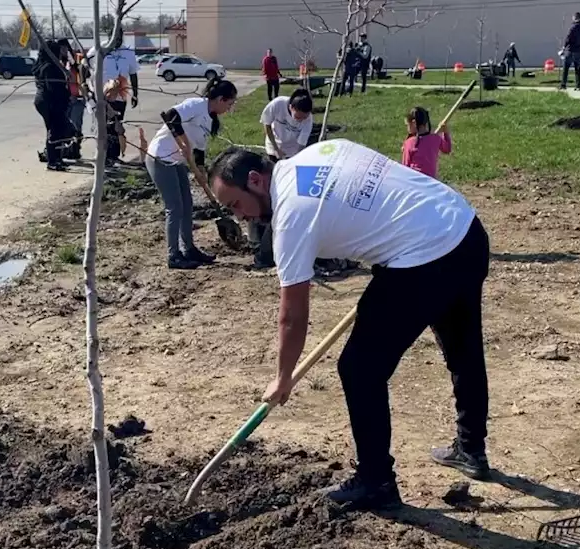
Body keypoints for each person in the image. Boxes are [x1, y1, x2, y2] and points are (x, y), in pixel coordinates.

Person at [207, 140, 493, 510]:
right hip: (463, 229)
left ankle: (375, 481)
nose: (240, 217)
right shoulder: (321, 152)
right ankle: (471, 450)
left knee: (359, 369)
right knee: (463, 349)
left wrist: (282, 375)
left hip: (426, 255)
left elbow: (293, 314)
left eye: (236, 205)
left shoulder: (292, 216)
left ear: (256, 180)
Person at [145, 79, 238, 270]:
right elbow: (171, 116)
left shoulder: (211, 120)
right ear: (220, 99)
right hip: (160, 157)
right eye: (229, 104)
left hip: (177, 161)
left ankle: (188, 249)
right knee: (175, 207)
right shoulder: (196, 105)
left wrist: (201, 171)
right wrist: (184, 142)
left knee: (187, 205)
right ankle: (173, 256)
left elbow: (199, 152)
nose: (229, 109)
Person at [254, 89, 314, 269]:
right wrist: (275, 149)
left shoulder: (308, 120)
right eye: (299, 116)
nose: (301, 120)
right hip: (272, 151)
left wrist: (291, 162)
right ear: (291, 107)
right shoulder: (278, 105)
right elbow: (266, 125)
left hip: (290, 156)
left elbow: (301, 146)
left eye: (304, 117)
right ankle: (260, 236)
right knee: (268, 192)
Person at [87, 35, 140, 168]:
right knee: (104, 126)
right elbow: (84, 64)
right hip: (102, 96)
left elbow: (133, 74)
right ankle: (103, 156)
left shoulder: (128, 52)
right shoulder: (99, 49)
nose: (118, 40)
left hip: (120, 96)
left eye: (120, 37)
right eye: (115, 37)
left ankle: (114, 156)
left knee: (117, 125)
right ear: (111, 36)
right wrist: (85, 85)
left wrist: (135, 94)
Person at [32, 39, 71, 171]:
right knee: (54, 130)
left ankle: (57, 158)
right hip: (49, 102)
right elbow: (54, 89)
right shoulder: (49, 67)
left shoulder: (49, 65)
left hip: (46, 101)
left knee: (58, 129)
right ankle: (52, 161)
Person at [400, 106, 451, 179]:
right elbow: (447, 149)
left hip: (413, 181)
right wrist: (445, 132)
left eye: (407, 125)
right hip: (430, 181)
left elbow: (405, 167)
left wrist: (405, 150)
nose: (407, 128)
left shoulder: (409, 143)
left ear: (414, 123)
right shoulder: (435, 138)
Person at [560, 12, 580, 91]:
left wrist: (563, 48)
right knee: (577, 68)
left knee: (566, 67)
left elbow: (568, 38)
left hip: (571, 50)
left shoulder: (573, 27)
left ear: (574, 18)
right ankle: (578, 85)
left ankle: (563, 84)